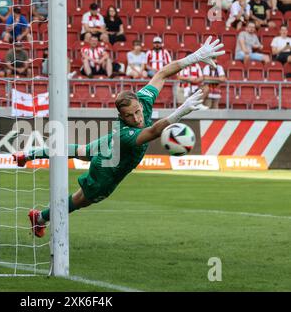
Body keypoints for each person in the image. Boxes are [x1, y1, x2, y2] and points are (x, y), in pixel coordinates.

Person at [13, 36, 225, 238]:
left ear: (140, 103)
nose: (137, 117)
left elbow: (161, 74)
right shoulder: (126, 132)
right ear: (121, 117)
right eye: (130, 116)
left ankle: (27, 155)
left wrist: (195, 57)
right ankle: (40, 217)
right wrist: (180, 112)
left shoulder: (142, 100)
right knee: (81, 200)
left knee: (79, 150)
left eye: (137, 111)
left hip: (107, 144)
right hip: (108, 169)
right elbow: (152, 131)